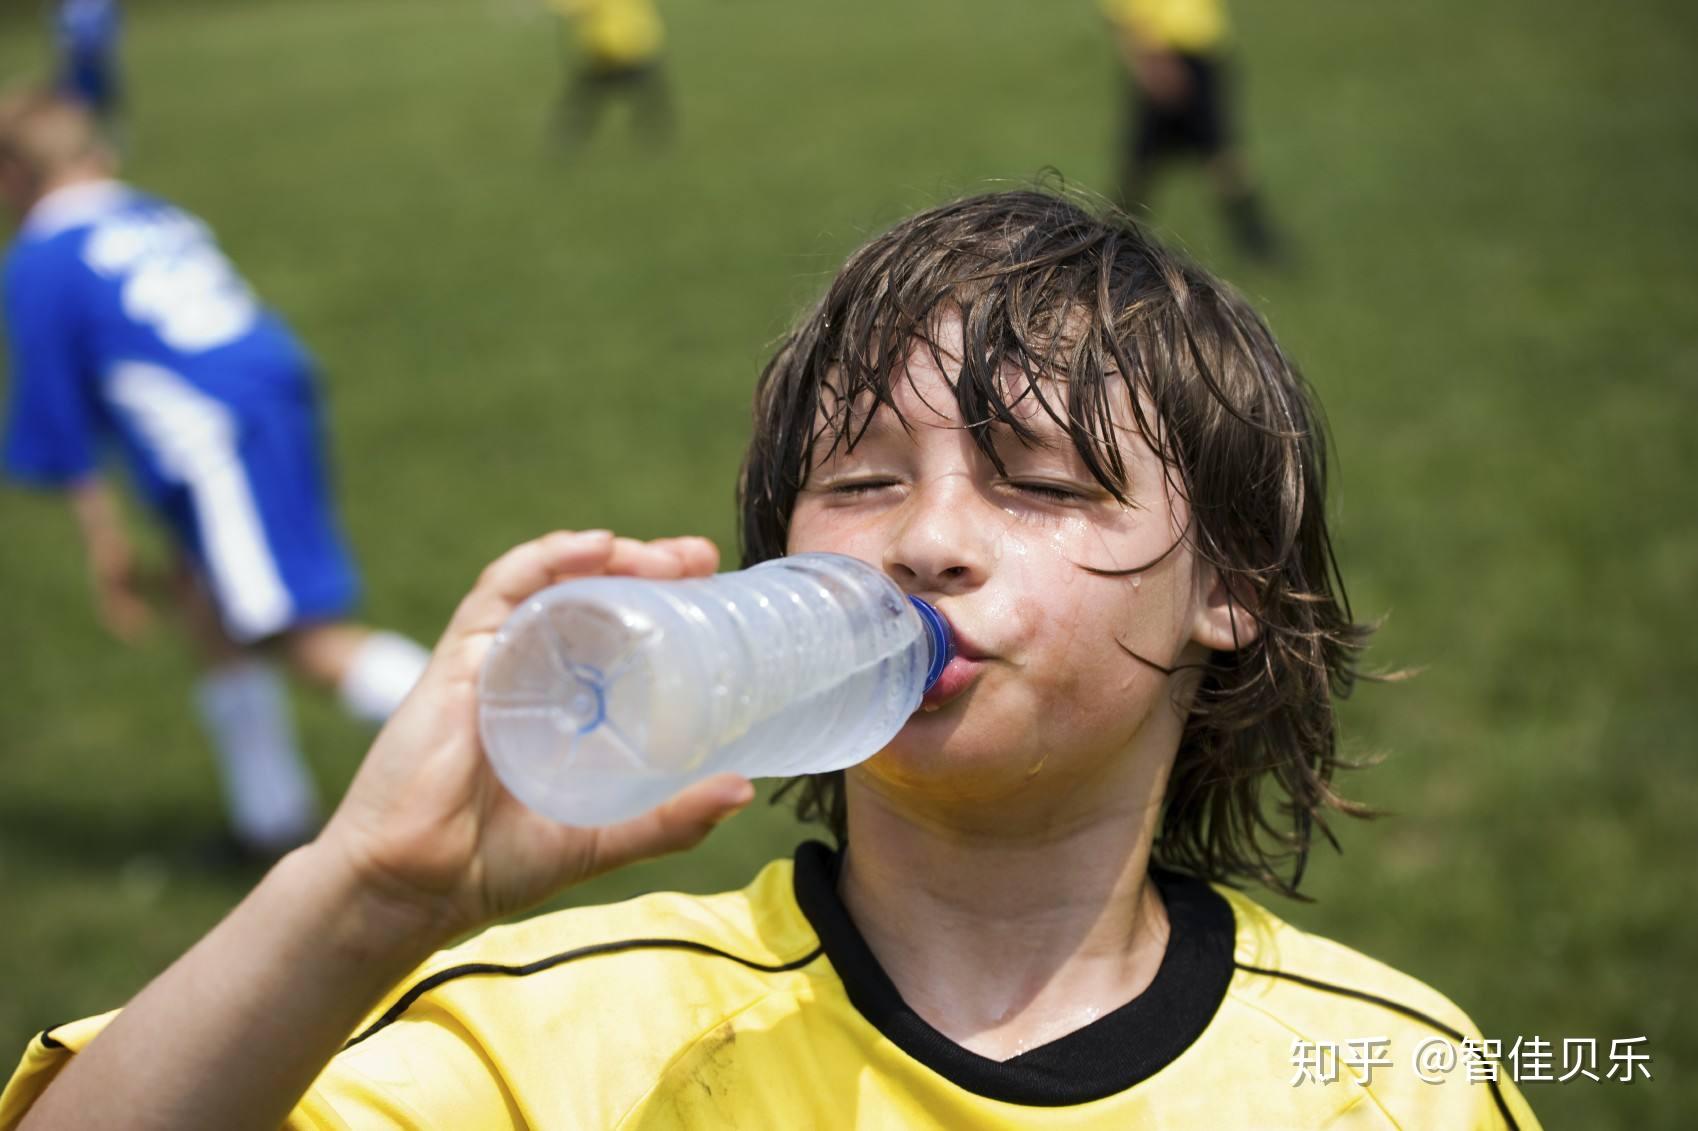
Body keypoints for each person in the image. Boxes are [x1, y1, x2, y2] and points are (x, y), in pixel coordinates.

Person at [0, 190, 1540, 1128]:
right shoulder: (571, 1039)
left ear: (1233, 589)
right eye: (860, 481)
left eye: (1044, 482)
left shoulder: (1391, 1075)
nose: (926, 539)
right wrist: (362, 896)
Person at [0, 89, 429, 859]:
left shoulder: (40, 258)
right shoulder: (149, 211)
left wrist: (104, 545)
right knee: (207, 602)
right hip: (266, 395)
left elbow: (62, 418)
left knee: (292, 632)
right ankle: (271, 821)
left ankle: (512, 740)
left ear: (11, 175)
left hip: (216, 436)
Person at [1103, 0, 1284, 263]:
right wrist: (1150, 65)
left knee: (1212, 157)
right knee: (1149, 162)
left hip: (1202, 56)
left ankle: (1255, 239)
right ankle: (1108, 240)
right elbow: (1128, 14)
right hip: (1168, 59)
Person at [549, 0, 674, 149]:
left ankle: (565, 142)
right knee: (651, 103)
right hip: (635, 52)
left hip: (610, 55)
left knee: (583, 105)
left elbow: (573, 9)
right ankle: (657, 142)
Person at [51, 0, 123, 130]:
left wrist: (107, 51)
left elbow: (113, 29)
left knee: (108, 106)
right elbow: (61, 36)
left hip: (100, 63)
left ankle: (113, 137)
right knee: (78, 108)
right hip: (77, 65)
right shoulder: (66, 7)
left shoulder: (103, 5)